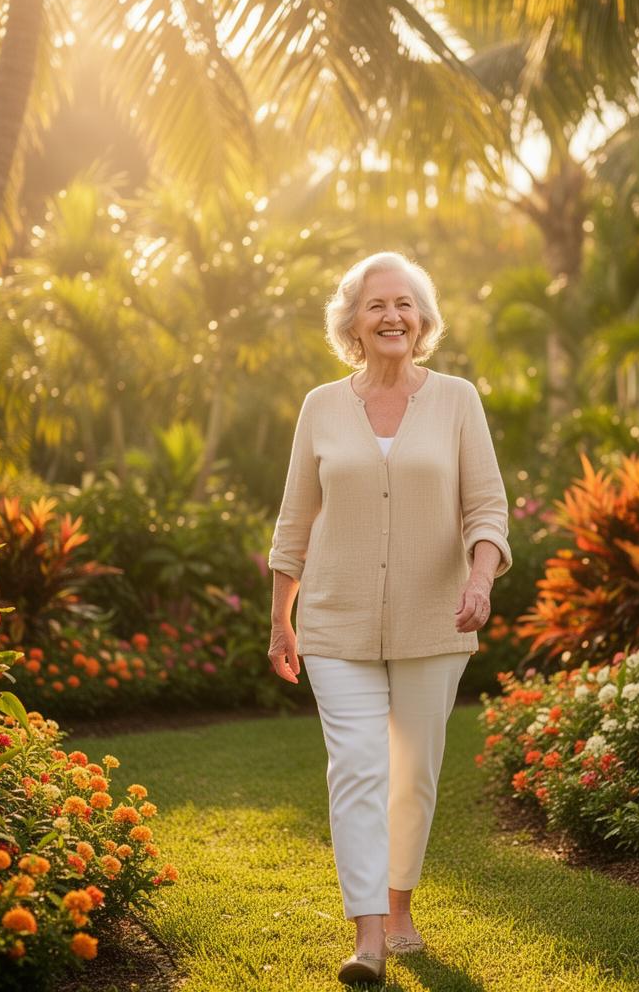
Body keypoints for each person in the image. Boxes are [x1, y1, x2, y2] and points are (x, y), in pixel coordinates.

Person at [267, 251, 511, 986]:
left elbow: (487, 505)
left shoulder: (458, 399)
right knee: (359, 768)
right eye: (376, 305)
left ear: (423, 319)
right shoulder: (319, 406)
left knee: (415, 774)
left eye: (404, 304)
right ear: (353, 322)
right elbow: (293, 521)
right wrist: (283, 621)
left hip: (435, 617)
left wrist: (480, 578)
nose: (392, 317)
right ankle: (368, 933)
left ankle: (401, 905)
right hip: (336, 621)